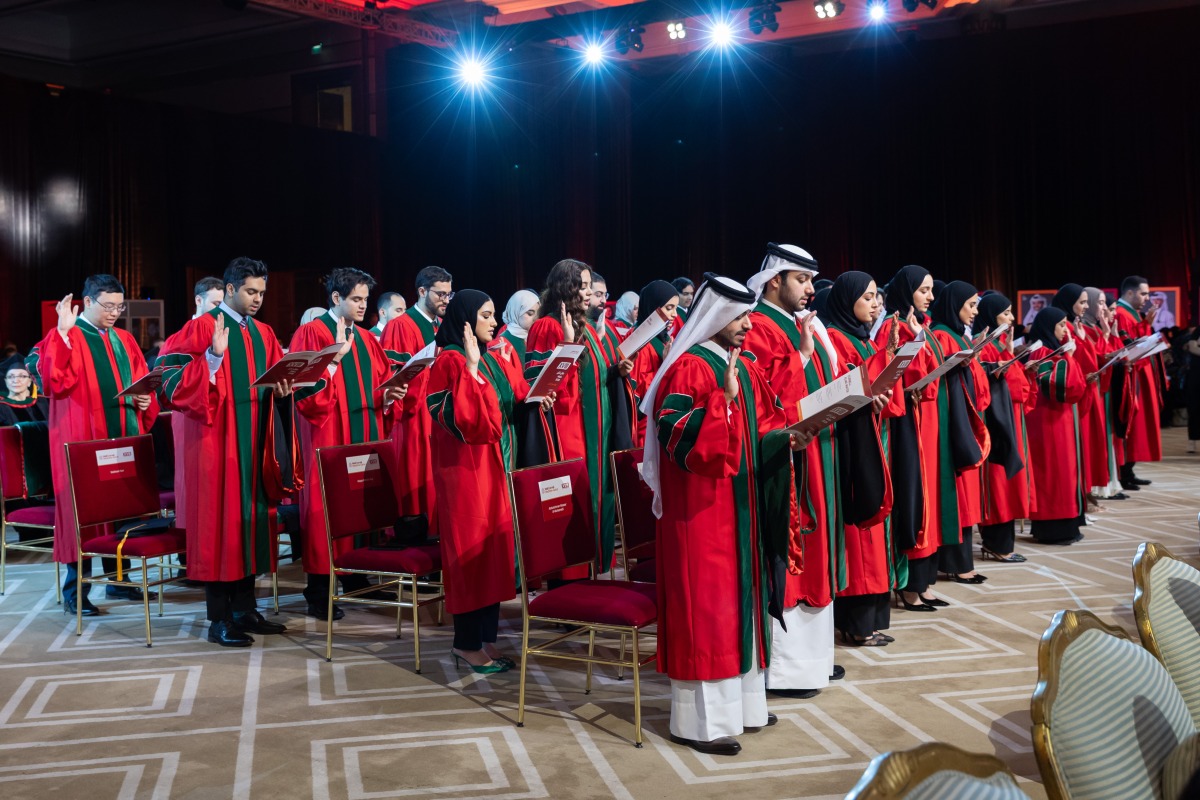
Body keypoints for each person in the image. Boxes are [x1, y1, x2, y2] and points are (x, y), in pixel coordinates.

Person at [641, 273, 801, 757]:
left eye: (750, 315)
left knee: (740, 605)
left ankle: (745, 707)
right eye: (739, 316)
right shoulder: (689, 367)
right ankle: (700, 725)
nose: (748, 325)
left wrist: (794, 434)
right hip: (701, 512)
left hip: (740, 506)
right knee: (707, 610)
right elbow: (678, 438)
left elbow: (766, 428)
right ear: (713, 316)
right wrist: (722, 402)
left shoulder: (741, 365)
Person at [158, 257, 293, 646]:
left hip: (254, 443)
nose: (258, 299)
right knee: (220, 529)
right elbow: (170, 384)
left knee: (251, 525)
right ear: (231, 289)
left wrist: (283, 387)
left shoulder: (264, 333)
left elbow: (268, 382)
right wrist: (213, 359)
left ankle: (245, 609)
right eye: (251, 291)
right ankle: (219, 619)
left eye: (262, 293)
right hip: (215, 447)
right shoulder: (199, 328)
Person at [427, 290, 555, 673]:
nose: (495, 322)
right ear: (466, 322)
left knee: (494, 554)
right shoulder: (449, 362)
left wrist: (536, 396)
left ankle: (485, 639)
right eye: (486, 315)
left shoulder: (490, 357)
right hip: (466, 475)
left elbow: (510, 401)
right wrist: (469, 368)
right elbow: (472, 423)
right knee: (471, 558)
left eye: (495, 314)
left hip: (496, 470)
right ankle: (466, 644)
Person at [743, 244, 846, 698]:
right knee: (793, 556)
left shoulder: (799, 323)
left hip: (815, 450)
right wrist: (802, 356)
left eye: (810, 280)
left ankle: (815, 661)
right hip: (785, 457)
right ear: (774, 281)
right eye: (801, 279)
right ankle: (786, 670)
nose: (809, 288)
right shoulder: (760, 326)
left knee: (818, 552)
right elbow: (764, 399)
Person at [37, 275, 159, 616]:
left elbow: (141, 382)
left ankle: (119, 581)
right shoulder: (68, 335)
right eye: (108, 305)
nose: (115, 313)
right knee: (84, 514)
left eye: (120, 306)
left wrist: (146, 401)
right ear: (87, 302)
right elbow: (53, 382)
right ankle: (76, 592)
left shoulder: (125, 339)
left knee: (120, 508)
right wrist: (61, 332)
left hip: (122, 434)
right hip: (83, 439)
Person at [290, 268, 408, 620]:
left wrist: (391, 395)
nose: (363, 306)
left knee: (361, 504)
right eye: (356, 299)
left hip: (364, 435)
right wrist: (332, 363)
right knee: (326, 509)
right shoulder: (311, 333)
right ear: (337, 298)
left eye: (366, 299)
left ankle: (356, 578)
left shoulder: (369, 340)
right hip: (329, 438)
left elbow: (381, 383)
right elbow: (303, 393)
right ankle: (319, 592)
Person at [526, 260, 628, 572]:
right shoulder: (548, 326)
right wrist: (568, 344)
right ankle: (571, 587)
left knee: (596, 500)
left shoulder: (585, 328)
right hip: (569, 432)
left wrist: (615, 371)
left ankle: (593, 578)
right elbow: (544, 387)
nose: (588, 293)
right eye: (582, 286)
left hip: (594, 433)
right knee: (575, 505)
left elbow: (590, 380)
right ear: (566, 288)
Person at [822, 272, 903, 646]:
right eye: (868, 297)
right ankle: (856, 624)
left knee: (873, 533)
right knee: (858, 538)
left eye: (877, 297)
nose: (876, 303)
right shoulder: (838, 340)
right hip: (852, 445)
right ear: (847, 300)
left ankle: (869, 620)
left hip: (874, 436)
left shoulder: (860, 339)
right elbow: (841, 391)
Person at [875, 265, 946, 610]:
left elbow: (929, 381)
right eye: (924, 290)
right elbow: (906, 376)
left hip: (924, 420)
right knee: (913, 497)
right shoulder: (892, 327)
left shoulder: (918, 325)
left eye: (931, 290)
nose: (930, 297)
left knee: (927, 496)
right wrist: (917, 341)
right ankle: (910, 584)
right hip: (905, 423)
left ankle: (923, 581)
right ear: (907, 292)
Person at [381, 266, 453, 543]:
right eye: (440, 294)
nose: (446, 300)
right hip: (412, 421)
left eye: (449, 294)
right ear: (422, 291)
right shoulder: (401, 325)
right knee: (415, 486)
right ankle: (414, 551)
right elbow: (394, 379)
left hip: (437, 419)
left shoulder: (441, 327)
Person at [928, 281, 991, 585]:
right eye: (971, 305)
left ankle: (960, 562)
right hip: (948, 422)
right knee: (955, 496)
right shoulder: (942, 334)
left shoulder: (954, 334)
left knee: (964, 495)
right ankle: (956, 563)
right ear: (955, 305)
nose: (975, 312)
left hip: (962, 418)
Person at [976, 293, 1034, 563]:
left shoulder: (998, 346)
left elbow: (1020, 388)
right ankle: (996, 543)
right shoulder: (986, 348)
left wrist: (1011, 356)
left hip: (1009, 421)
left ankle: (1001, 543)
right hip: (996, 426)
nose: (1012, 319)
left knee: (1008, 485)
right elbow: (1013, 388)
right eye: (1006, 313)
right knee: (999, 486)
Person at [1023, 307, 1088, 544]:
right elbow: (1059, 387)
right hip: (1047, 421)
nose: (1065, 330)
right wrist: (1069, 357)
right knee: (1053, 473)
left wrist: (1067, 357)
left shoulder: (1053, 351)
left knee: (1065, 472)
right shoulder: (1040, 350)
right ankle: (1053, 529)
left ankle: (1068, 523)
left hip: (1059, 420)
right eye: (1061, 325)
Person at [1051, 284, 1105, 507]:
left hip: (1087, 388)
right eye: (1081, 302)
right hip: (1075, 391)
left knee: (1088, 444)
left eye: (1086, 302)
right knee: (1078, 444)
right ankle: (1080, 494)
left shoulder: (1078, 326)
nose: (1086, 306)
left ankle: (1085, 490)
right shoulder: (1065, 328)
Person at [1113, 276, 1163, 487]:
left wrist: (1146, 325)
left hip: (1141, 373)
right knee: (1132, 423)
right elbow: (1129, 346)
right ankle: (1124, 472)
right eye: (1143, 294)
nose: (1147, 298)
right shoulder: (1122, 314)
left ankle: (1129, 470)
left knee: (1140, 424)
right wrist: (1145, 327)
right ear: (1130, 293)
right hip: (1132, 376)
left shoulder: (1133, 314)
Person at [626, 280, 679, 447]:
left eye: (675, 308)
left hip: (656, 425)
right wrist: (666, 365)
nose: (674, 315)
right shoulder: (638, 341)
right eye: (669, 308)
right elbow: (636, 393)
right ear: (653, 307)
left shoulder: (660, 339)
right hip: (644, 431)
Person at [491, 289, 539, 361]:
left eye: (538, 314)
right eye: (530, 314)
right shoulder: (502, 343)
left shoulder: (533, 335)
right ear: (515, 311)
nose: (535, 319)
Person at [0, 355, 48, 425]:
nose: (16, 380)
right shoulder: (2, 407)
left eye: (22, 376)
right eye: (11, 376)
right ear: (6, 381)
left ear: (30, 381)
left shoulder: (43, 401)